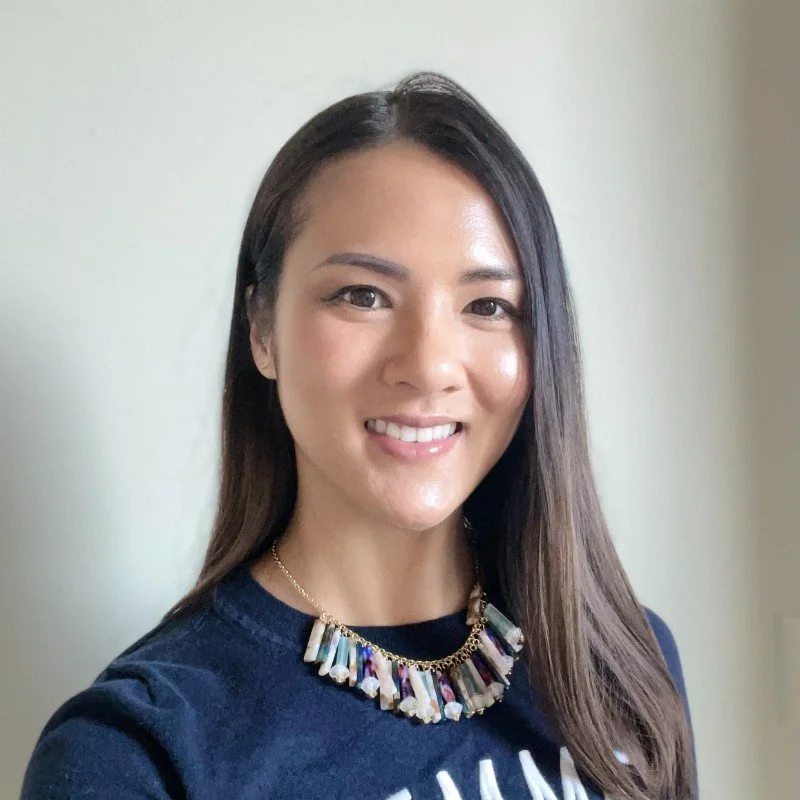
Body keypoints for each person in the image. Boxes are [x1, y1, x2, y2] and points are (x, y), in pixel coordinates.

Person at [20, 71, 697, 800]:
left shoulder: (623, 665)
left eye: (487, 306)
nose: (429, 366)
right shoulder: (131, 753)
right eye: (363, 296)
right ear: (261, 330)